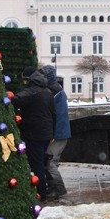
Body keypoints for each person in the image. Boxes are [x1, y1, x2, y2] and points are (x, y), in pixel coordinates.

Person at [13, 66, 55, 201]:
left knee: (36, 165)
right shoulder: (48, 92)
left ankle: (41, 194)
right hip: (45, 133)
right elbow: (54, 114)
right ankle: (43, 189)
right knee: (41, 163)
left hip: (34, 133)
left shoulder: (32, 92)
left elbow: (14, 100)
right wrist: (52, 133)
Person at [40, 65, 71, 199]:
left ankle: (59, 189)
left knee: (50, 162)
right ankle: (54, 188)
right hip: (60, 132)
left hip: (58, 134)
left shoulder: (54, 91)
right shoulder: (57, 90)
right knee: (50, 161)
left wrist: (52, 134)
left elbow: (55, 115)